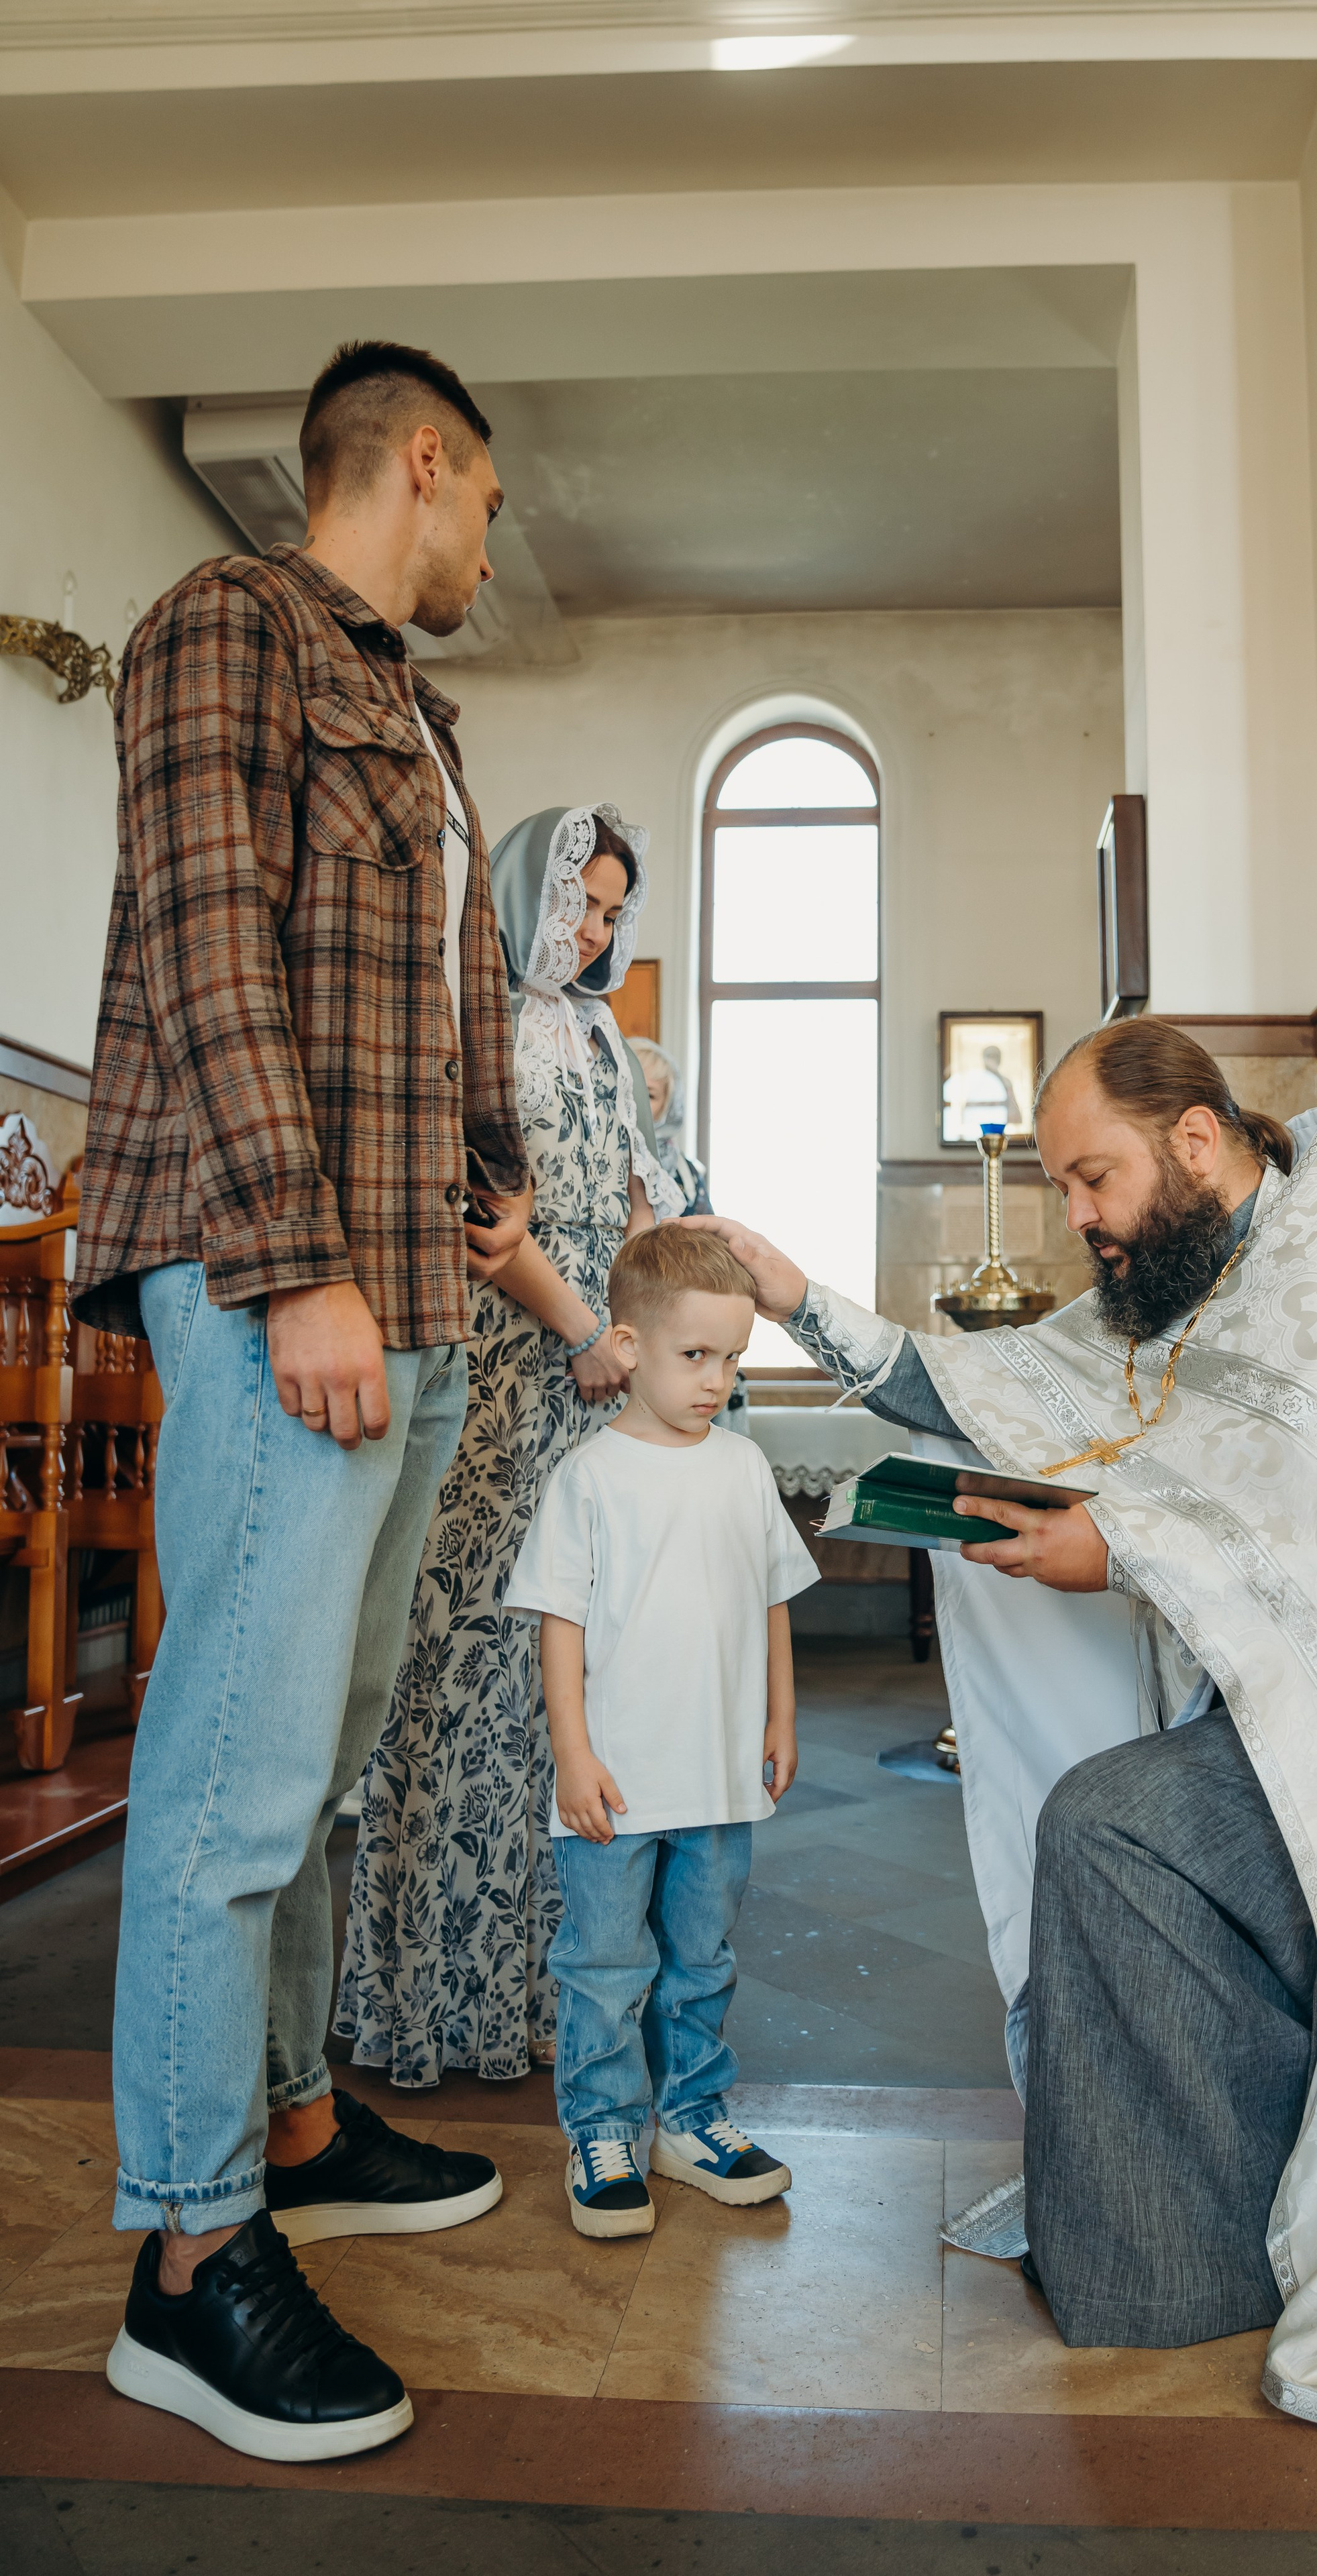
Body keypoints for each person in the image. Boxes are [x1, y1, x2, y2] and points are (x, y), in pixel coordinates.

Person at [688, 1016, 1317, 2429]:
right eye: (1059, 1189)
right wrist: (793, 1296)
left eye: (1089, 1179)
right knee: (1120, 1830)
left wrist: (1109, 1554)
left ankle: (1187, 2257)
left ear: (1190, 1139)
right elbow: (995, 1390)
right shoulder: (1169, 1285)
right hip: (1261, 1718)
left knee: (1110, 1827)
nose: (1079, 1219)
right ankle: (1178, 2236)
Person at [74, 339, 536, 2463]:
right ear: (421, 461)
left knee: (324, 1754)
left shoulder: (429, 722)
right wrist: (299, 1258)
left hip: (401, 1287)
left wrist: (481, 1193)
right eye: (488, 503)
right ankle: (184, 2260)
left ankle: (285, 2116)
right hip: (287, 1274)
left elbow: (446, 1009)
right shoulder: (224, 628)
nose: (487, 544)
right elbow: (205, 942)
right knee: (231, 1775)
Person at [336, 804, 682, 2088]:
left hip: (599, 1365)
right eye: (576, 904)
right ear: (528, 893)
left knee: (576, 1681)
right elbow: (483, 1211)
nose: (592, 930)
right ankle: (439, 1997)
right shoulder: (474, 1007)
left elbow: (638, 1191)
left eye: (609, 911)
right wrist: (586, 1325)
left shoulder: (595, 1024)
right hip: (506, 1363)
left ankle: (560, 1999)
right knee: (474, 1660)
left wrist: (656, 1330)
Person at [504, 1224, 816, 2235]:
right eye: (696, 1357)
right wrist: (573, 1756)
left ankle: (690, 2118)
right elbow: (560, 1625)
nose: (717, 1380)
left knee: (704, 1958)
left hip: (721, 1776)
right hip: (619, 1781)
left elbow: (773, 1601)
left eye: (733, 1359)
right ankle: (603, 2128)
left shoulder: (742, 1468)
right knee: (603, 1965)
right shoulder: (588, 1480)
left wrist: (781, 1715)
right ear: (629, 1349)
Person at [632, 1038, 712, 1216]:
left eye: (649, 1095)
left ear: (667, 1107)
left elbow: (707, 1238)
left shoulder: (686, 1174)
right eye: (629, 1088)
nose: (636, 1101)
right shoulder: (594, 1154)